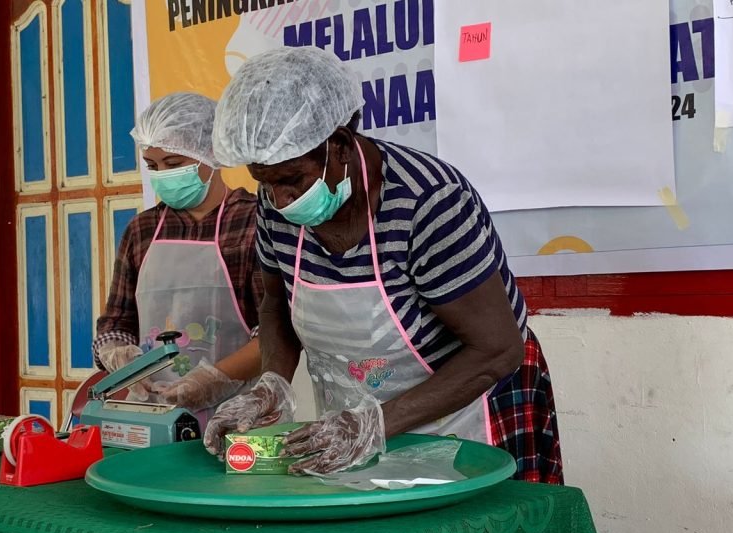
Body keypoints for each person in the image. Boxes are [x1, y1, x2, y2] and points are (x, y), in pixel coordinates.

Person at [204, 47, 563, 484]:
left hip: (470, 411)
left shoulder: (427, 203)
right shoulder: (276, 206)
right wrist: (272, 382)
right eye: (264, 181)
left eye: (292, 180)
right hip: (358, 428)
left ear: (339, 144)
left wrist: (371, 425)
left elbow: (498, 349)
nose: (279, 199)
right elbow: (275, 305)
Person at [92, 92, 263, 429]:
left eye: (173, 164)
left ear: (211, 154)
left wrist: (211, 380)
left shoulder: (254, 222)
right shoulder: (142, 230)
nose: (162, 176)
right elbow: (115, 324)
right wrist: (119, 355)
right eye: (152, 167)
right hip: (152, 419)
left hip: (239, 418)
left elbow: (277, 333)